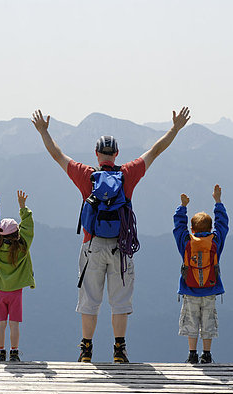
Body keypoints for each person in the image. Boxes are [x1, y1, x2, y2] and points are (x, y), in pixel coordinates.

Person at [31, 107, 191, 363]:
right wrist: (175, 128)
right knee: (120, 301)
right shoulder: (127, 174)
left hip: (91, 244)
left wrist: (43, 131)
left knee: (89, 300)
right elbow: (155, 151)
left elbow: (57, 155)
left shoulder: (86, 176)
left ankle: (86, 350)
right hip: (121, 248)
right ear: (116, 153)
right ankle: (119, 350)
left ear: (96, 154)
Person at [173, 185, 228, 364]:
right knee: (207, 322)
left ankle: (192, 354)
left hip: (190, 290)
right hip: (211, 289)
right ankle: (206, 354)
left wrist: (182, 207)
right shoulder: (216, 241)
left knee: (191, 322)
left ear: (192, 229)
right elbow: (223, 225)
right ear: (211, 228)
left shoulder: (186, 242)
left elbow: (178, 227)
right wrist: (218, 202)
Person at [0, 190, 34, 362]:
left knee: (1, 323)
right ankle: (14, 353)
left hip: (0, 291)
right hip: (16, 292)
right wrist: (23, 207)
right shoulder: (22, 247)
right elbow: (28, 227)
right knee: (14, 324)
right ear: (16, 234)